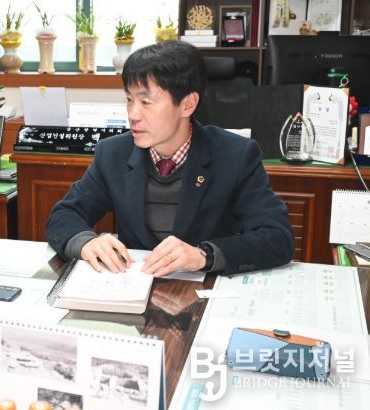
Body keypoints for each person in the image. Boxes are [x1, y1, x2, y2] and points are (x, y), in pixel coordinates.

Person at [46, 40, 294, 277]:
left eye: (146, 102)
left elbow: (278, 238)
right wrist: (85, 242)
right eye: (129, 100)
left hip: (205, 290)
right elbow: (64, 215)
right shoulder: (113, 153)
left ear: (187, 105)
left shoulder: (235, 155)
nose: (133, 114)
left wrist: (204, 255)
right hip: (133, 285)